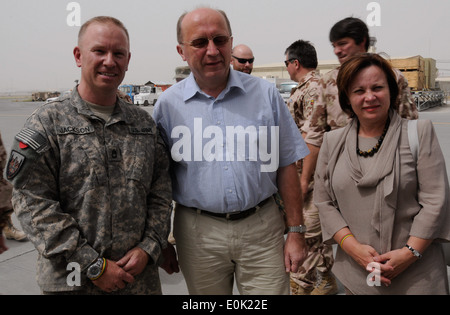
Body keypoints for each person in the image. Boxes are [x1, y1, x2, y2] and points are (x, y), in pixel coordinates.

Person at [7, 16, 173, 294]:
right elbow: (31, 203)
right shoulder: (48, 123)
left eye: (118, 53)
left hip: (138, 280)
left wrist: (149, 246)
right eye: (99, 51)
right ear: (78, 56)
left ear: (128, 60)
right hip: (73, 281)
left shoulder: (143, 126)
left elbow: (161, 192)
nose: (110, 61)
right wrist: (93, 265)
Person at [153, 7, 309, 295]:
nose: (212, 51)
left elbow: (287, 164)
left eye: (220, 40)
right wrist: (161, 241)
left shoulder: (265, 95)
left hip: (262, 229)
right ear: (181, 51)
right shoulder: (167, 106)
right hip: (198, 233)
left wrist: (296, 232)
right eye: (199, 42)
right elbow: (158, 181)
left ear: (230, 41)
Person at [314, 53, 450, 294]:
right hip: (358, 275)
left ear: (391, 91)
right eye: (358, 91)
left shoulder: (418, 133)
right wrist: (353, 248)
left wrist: (409, 254)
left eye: (377, 87)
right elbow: (324, 202)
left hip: (418, 276)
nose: (369, 97)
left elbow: (435, 201)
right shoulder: (332, 143)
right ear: (347, 98)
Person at [284, 39, 338, 295]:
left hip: (310, 175)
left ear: (295, 63)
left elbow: (311, 137)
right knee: (313, 234)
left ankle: (304, 287)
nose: (286, 67)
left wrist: (303, 180)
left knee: (306, 234)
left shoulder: (313, 88)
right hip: (304, 172)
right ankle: (325, 279)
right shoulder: (307, 87)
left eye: (287, 62)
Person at [310, 17, 418, 139]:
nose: (337, 51)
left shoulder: (393, 76)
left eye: (342, 44)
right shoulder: (327, 81)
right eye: (334, 46)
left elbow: (409, 125)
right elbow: (315, 135)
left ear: (362, 41)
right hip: (341, 155)